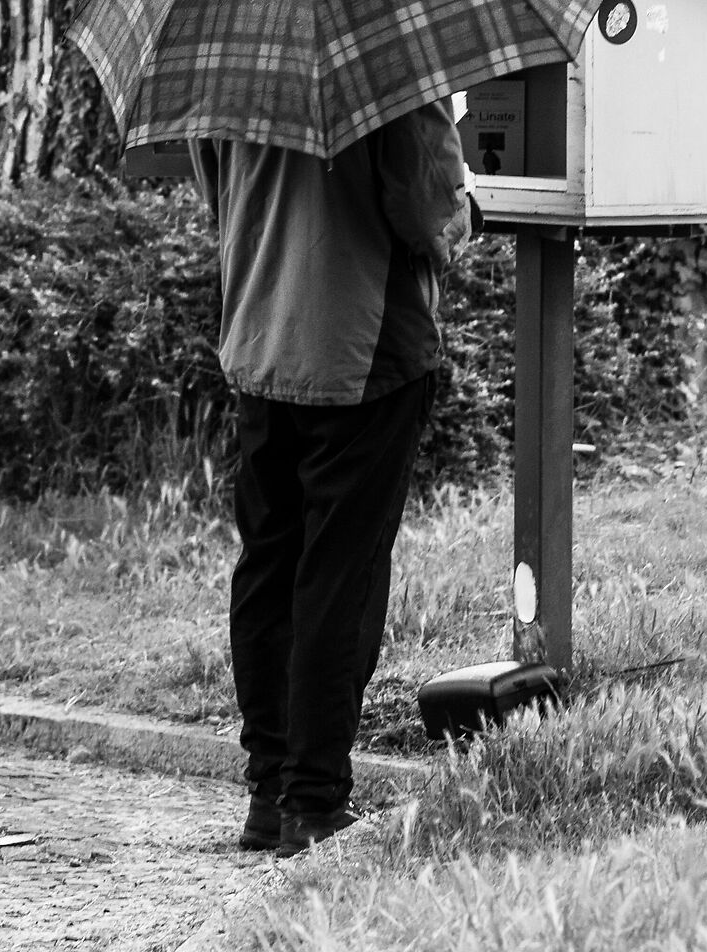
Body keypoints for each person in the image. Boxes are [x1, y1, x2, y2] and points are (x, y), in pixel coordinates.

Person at [189, 101, 474, 857]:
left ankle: (268, 793)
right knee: (339, 573)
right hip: (362, 346)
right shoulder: (392, 64)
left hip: (260, 337)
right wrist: (462, 209)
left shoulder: (229, 60)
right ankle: (314, 802)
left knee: (268, 563)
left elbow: (216, 194)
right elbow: (426, 211)